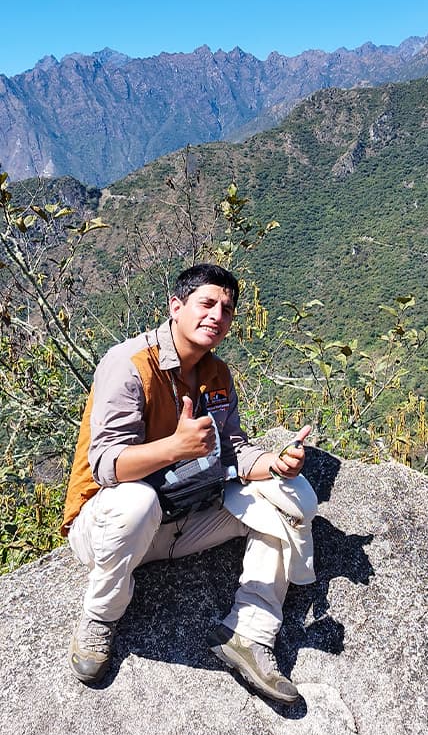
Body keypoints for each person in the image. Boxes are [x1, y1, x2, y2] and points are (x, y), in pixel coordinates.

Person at [62, 263, 317, 703]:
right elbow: (106, 466)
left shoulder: (218, 374)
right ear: (176, 307)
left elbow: (233, 451)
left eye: (227, 309)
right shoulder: (129, 365)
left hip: (186, 519)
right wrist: (175, 447)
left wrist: (276, 464)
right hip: (113, 527)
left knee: (293, 498)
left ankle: (250, 634)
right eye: (207, 303)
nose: (217, 315)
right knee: (136, 502)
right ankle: (100, 618)